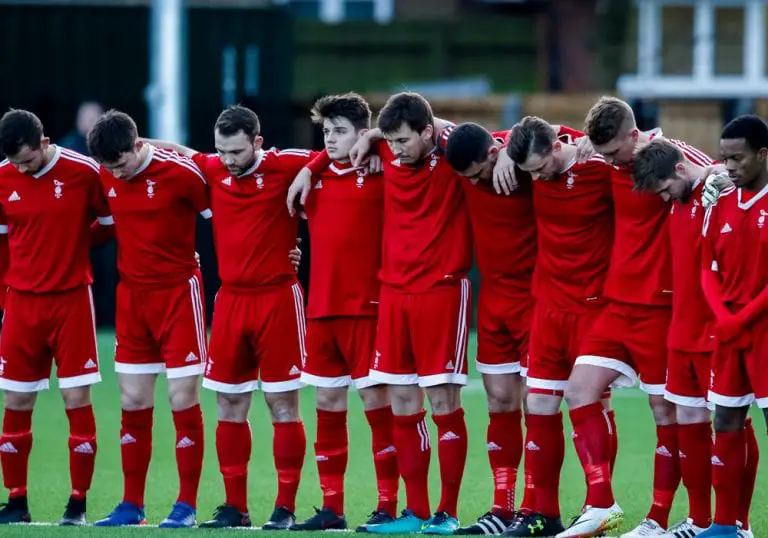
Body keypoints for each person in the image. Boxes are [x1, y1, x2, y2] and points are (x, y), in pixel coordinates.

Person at [296, 92, 478, 535]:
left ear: (429, 134)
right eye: (390, 142)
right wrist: (312, 165)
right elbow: (336, 146)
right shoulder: (382, 155)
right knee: (401, 402)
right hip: (394, 293)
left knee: (442, 401)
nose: (395, 151)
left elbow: (484, 138)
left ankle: (447, 513)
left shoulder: (451, 157)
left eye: (402, 142)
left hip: (441, 291)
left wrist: (377, 132)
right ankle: (414, 513)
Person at [149, 105, 316, 530]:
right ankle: (234, 507)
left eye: (237, 152)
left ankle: (284, 507)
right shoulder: (212, 168)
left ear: (257, 143)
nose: (228, 160)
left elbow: (335, 155)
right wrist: (135, 146)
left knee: (282, 403)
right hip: (230, 301)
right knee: (228, 402)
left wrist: (312, 169)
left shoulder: (286, 164)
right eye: (221, 151)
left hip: (278, 298)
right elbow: (175, 152)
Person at [558, 96, 715, 538]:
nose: (608, 162)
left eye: (613, 153)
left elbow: (722, 173)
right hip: (615, 304)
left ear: (635, 134)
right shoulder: (605, 158)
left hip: (662, 310)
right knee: (579, 390)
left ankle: (660, 520)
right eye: (601, 152)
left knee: (666, 413)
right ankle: (601, 504)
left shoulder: (677, 156)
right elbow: (539, 139)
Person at [86, 110, 211, 528]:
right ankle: (131, 505)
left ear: (138, 148)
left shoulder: (182, 174)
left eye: (121, 164)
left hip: (179, 293)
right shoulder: (104, 174)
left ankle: (187, 505)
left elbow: (229, 213)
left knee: (181, 399)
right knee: (133, 401)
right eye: (109, 167)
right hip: (132, 297)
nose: (116, 175)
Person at [631, 138, 758, 537]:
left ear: (681, 170)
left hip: (715, 332)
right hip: (680, 331)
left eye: (666, 188)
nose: (665, 197)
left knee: (731, 423)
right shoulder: (679, 199)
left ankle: (738, 523)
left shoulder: (721, 191)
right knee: (688, 421)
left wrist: (720, 175)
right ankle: (699, 519)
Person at [286, 93, 399, 532]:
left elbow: (410, 142)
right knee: (328, 406)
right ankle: (332, 508)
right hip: (322, 310)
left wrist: (374, 143)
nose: (330, 140)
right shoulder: (310, 176)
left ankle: (388, 507)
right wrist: (312, 166)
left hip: (368, 310)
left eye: (340, 132)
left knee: (377, 406)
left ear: (361, 134)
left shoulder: (384, 168)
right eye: (326, 132)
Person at [497, 116, 614, 537]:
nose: (534, 177)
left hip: (593, 306)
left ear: (558, 145)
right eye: (525, 170)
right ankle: (543, 515)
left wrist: (590, 141)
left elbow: (651, 144)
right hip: (546, 306)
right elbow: (456, 134)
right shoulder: (528, 161)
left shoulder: (597, 166)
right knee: (540, 404)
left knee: (590, 402)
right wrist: (502, 156)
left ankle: (598, 505)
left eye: (537, 167)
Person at [0, 109, 113, 526]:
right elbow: (2, 245)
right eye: (14, 163)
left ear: (44, 143)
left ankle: (77, 504)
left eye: (27, 160)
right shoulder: (2, 178)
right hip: (22, 305)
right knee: (15, 402)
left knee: (76, 400)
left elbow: (108, 222)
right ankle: (16, 501)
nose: (21, 168)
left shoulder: (83, 171)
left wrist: (72, 248)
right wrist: (5, 300)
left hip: (70, 302)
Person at [443, 122, 536, 535]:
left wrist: (512, 151)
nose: (474, 183)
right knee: (499, 402)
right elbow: (435, 124)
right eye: (466, 179)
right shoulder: (470, 165)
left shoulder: (525, 164)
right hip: (495, 302)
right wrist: (373, 136)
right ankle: (503, 507)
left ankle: (536, 508)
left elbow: (563, 135)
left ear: (494, 154)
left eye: (478, 173)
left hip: (537, 300)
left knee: (541, 404)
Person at [697, 115, 768, 538]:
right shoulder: (719, 201)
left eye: (737, 159)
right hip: (730, 330)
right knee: (726, 420)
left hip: (762, 329)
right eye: (724, 159)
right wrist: (725, 318)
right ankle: (726, 526)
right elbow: (708, 268)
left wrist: (741, 319)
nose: (729, 168)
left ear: (762, 155)